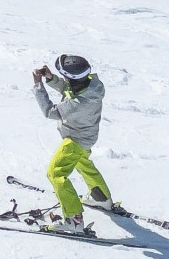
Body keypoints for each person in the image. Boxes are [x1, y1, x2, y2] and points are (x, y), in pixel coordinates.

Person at [32, 54, 114, 235]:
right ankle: (101, 198)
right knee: (82, 163)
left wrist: (39, 86)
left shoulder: (79, 103)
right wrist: (51, 79)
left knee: (56, 172)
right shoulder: (91, 85)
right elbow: (69, 88)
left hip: (75, 139)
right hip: (87, 136)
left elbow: (50, 111)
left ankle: (73, 220)